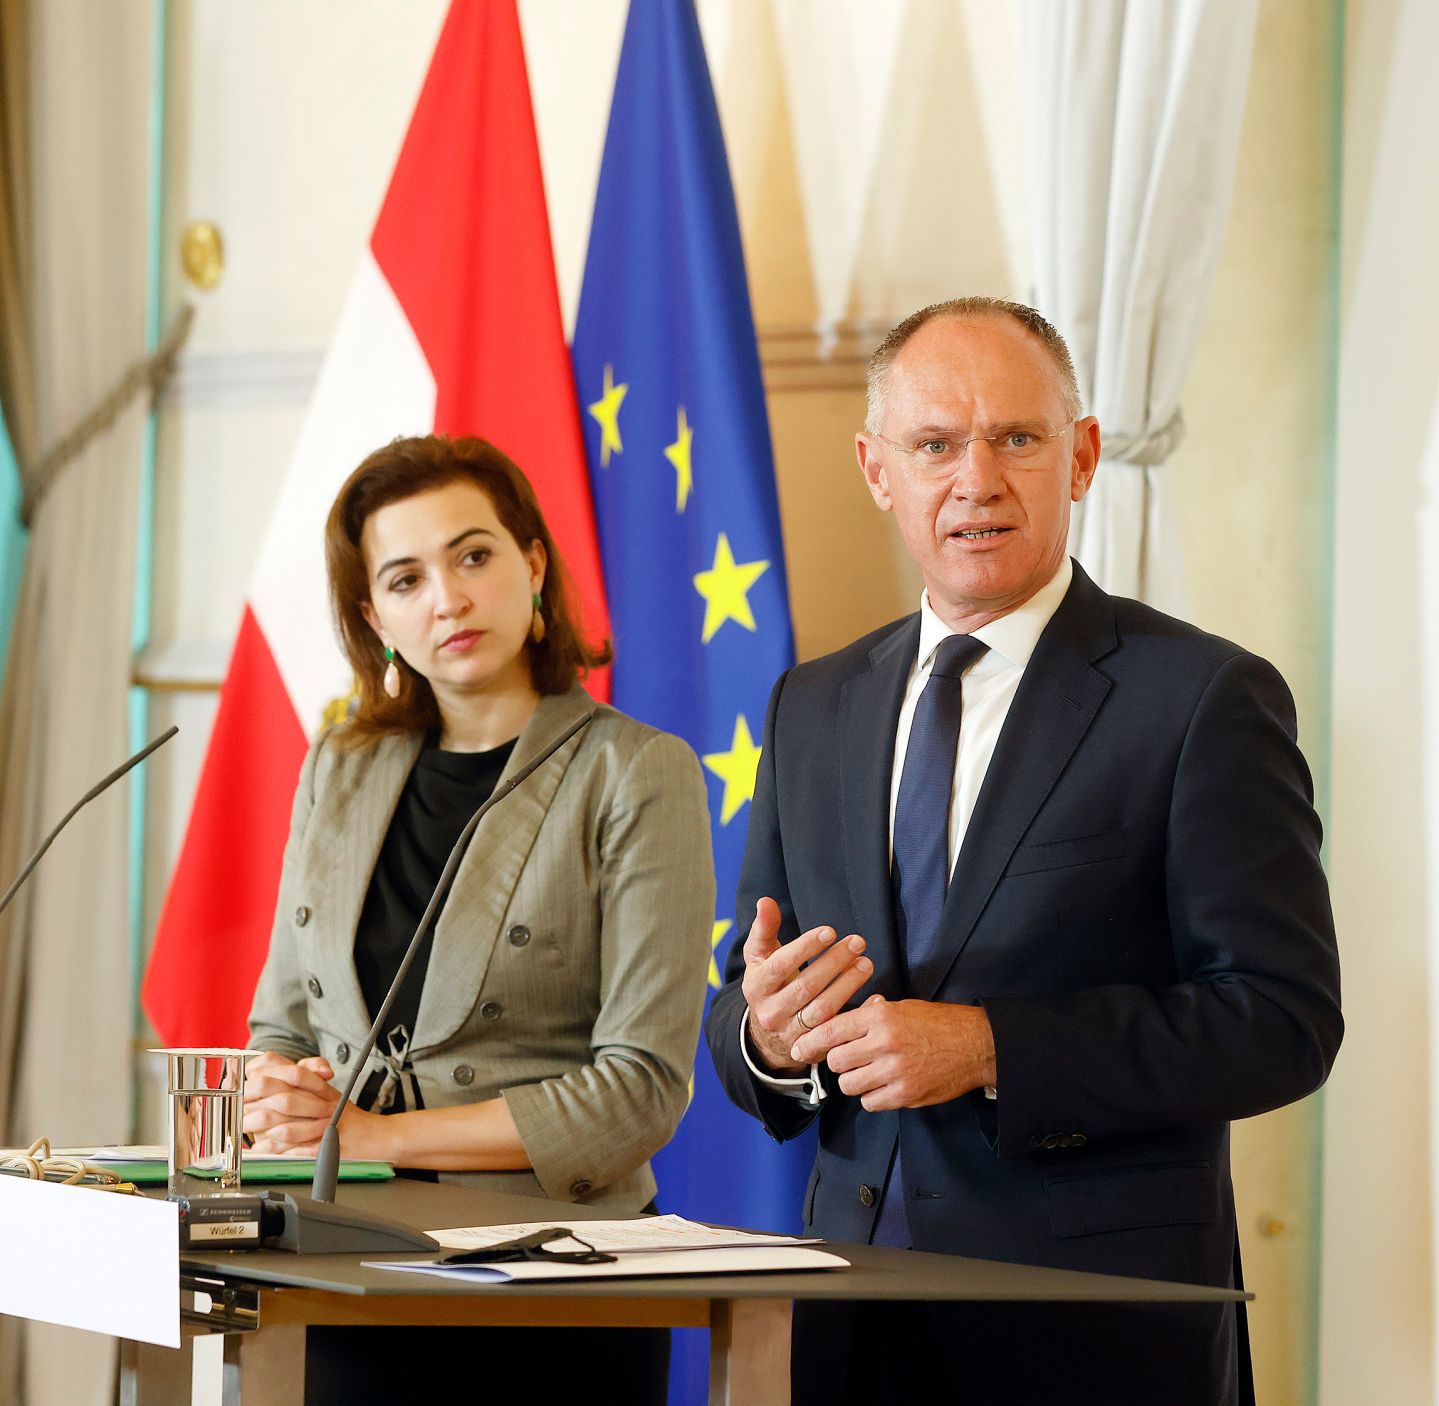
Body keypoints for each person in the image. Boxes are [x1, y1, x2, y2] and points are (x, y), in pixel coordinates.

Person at [706, 298, 1344, 1405]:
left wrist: (993, 1048)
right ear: (876, 469)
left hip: (1094, 1333)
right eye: (934, 444)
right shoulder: (811, 704)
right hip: (853, 1322)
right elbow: (740, 1008)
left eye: (1015, 437)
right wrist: (765, 1035)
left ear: (1081, 456)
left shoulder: (1200, 697)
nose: (977, 480)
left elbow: (1282, 1021)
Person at [243, 433, 713, 1403]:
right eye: (406, 579)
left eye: (472, 556)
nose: (447, 599)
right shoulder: (338, 765)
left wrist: (374, 1137)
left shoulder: (633, 769)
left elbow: (639, 1092)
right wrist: (277, 1099)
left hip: (553, 1278)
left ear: (532, 564)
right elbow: (281, 1029)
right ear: (374, 617)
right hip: (340, 1260)